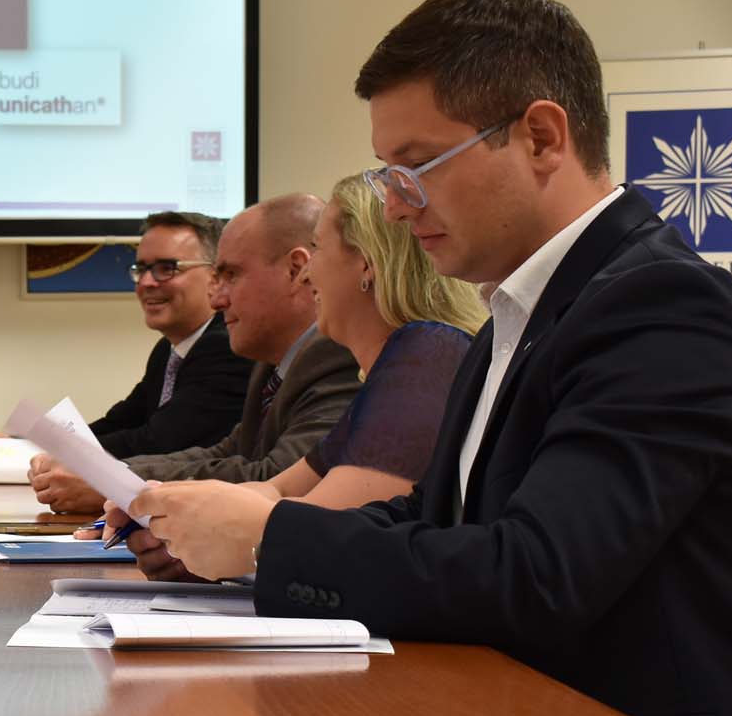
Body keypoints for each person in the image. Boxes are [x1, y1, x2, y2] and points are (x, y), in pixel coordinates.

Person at [137, 0, 732, 716]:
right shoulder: (516, 319)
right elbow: (437, 516)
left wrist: (270, 536)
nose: (394, 207)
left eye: (417, 167)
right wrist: (243, 536)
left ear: (541, 138)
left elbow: (536, 574)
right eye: (388, 174)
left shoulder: (664, 309)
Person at [111, 175, 482, 558]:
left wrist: (184, 526)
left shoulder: (426, 353)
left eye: (318, 249)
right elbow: (278, 490)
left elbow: (316, 533)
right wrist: (158, 502)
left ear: (367, 263)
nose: (307, 273)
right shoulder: (395, 364)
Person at [30, 194, 362, 520]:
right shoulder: (271, 364)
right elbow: (228, 453)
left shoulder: (337, 356)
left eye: (231, 275)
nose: (216, 299)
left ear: (297, 270)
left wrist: (115, 483)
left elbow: (276, 479)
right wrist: (113, 474)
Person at [0, 212, 252, 456]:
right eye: (141, 269)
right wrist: (20, 447)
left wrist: (37, 452)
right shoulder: (169, 349)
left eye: (166, 268)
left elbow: (156, 441)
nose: (147, 282)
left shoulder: (226, 348)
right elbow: (119, 422)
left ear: (215, 276)